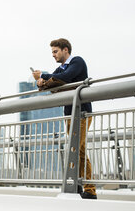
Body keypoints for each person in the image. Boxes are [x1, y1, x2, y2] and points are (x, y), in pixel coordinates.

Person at [32, 38, 97, 199]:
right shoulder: (59, 69)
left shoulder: (76, 61)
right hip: (70, 114)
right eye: (52, 52)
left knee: (77, 149)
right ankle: (79, 186)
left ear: (65, 50)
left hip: (82, 112)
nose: (53, 55)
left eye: (56, 51)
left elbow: (66, 77)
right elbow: (53, 83)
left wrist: (44, 75)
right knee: (78, 149)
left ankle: (88, 189)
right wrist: (41, 81)